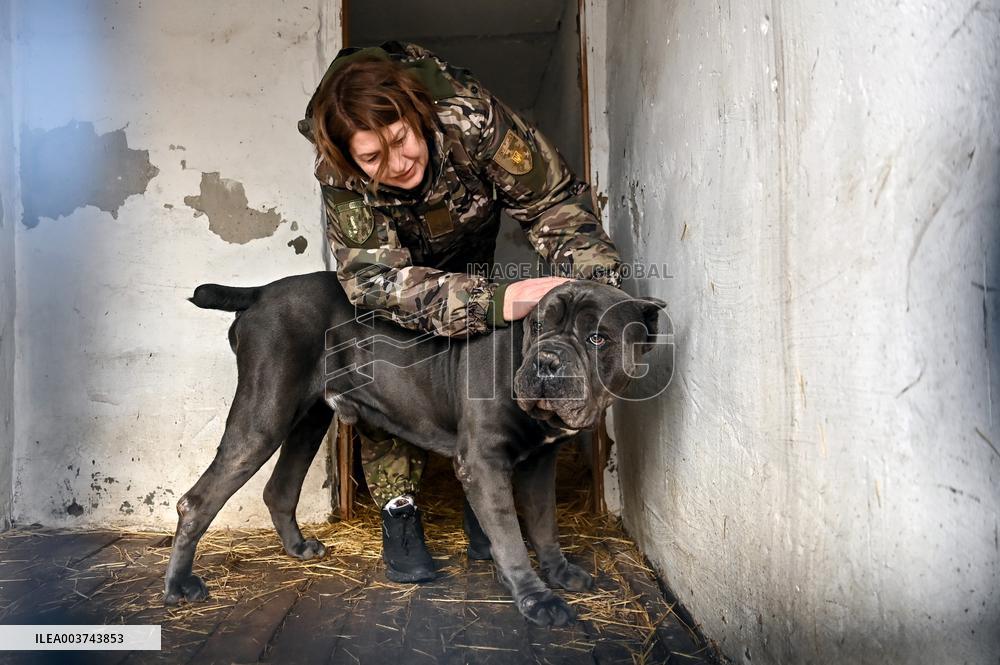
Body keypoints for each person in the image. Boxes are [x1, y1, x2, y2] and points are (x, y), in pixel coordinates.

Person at [298, 41, 623, 583]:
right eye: (374, 158)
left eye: (402, 140)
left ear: (417, 113)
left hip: (469, 251)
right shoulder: (339, 175)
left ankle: (484, 503)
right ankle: (399, 510)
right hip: (397, 277)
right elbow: (373, 279)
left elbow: (554, 204)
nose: (399, 165)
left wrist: (593, 300)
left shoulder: (471, 117)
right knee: (391, 372)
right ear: (350, 158)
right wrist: (495, 300)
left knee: (481, 361)